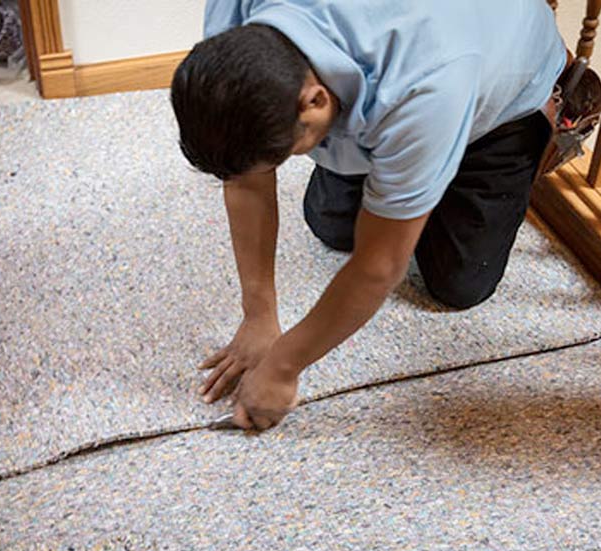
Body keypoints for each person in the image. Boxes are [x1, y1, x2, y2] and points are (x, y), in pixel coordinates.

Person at [170, 0, 567, 431]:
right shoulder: (235, 25)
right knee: (330, 223)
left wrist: (283, 367)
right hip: (405, 89)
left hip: (502, 103)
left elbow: (379, 268)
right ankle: (411, 170)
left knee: (459, 283)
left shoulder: (428, 83)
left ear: (315, 100)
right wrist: (258, 316)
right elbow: (246, 178)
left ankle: (489, 141)